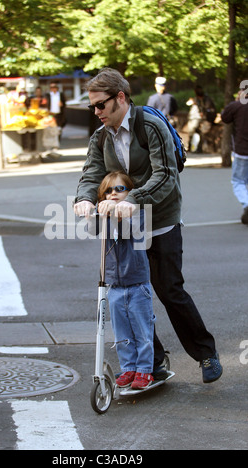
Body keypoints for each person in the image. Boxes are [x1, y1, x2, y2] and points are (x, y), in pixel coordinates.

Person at [74, 67, 223, 384]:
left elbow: (166, 175)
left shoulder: (151, 125)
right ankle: (151, 361)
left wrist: (133, 199)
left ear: (121, 98)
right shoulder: (101, 137)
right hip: (125, 227)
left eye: (101, 105)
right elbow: (91, 174)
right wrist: (85, 198)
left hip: (161, 220)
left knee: (169, 290)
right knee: (131, 294)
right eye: (93, 107)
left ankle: (206, 353)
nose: (96, 112)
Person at [94, 171, 155, 389]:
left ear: (129, 192)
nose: (114, 194)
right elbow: (96, 225)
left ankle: (145, 370)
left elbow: (129, 231)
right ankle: (129, 367)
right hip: (115, 285)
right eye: (108, 191)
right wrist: (93, 208)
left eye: (120, 189)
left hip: (138, 284)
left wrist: (117, 212)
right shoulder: (104, 217)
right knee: (121, 333)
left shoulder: (136, 213)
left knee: (142, 331)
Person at [221, 86, 248, 225]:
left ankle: (246, 204)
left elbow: (225, 117)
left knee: (238, 181)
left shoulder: (237, 106)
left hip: (242, 151)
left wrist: (238, 101)